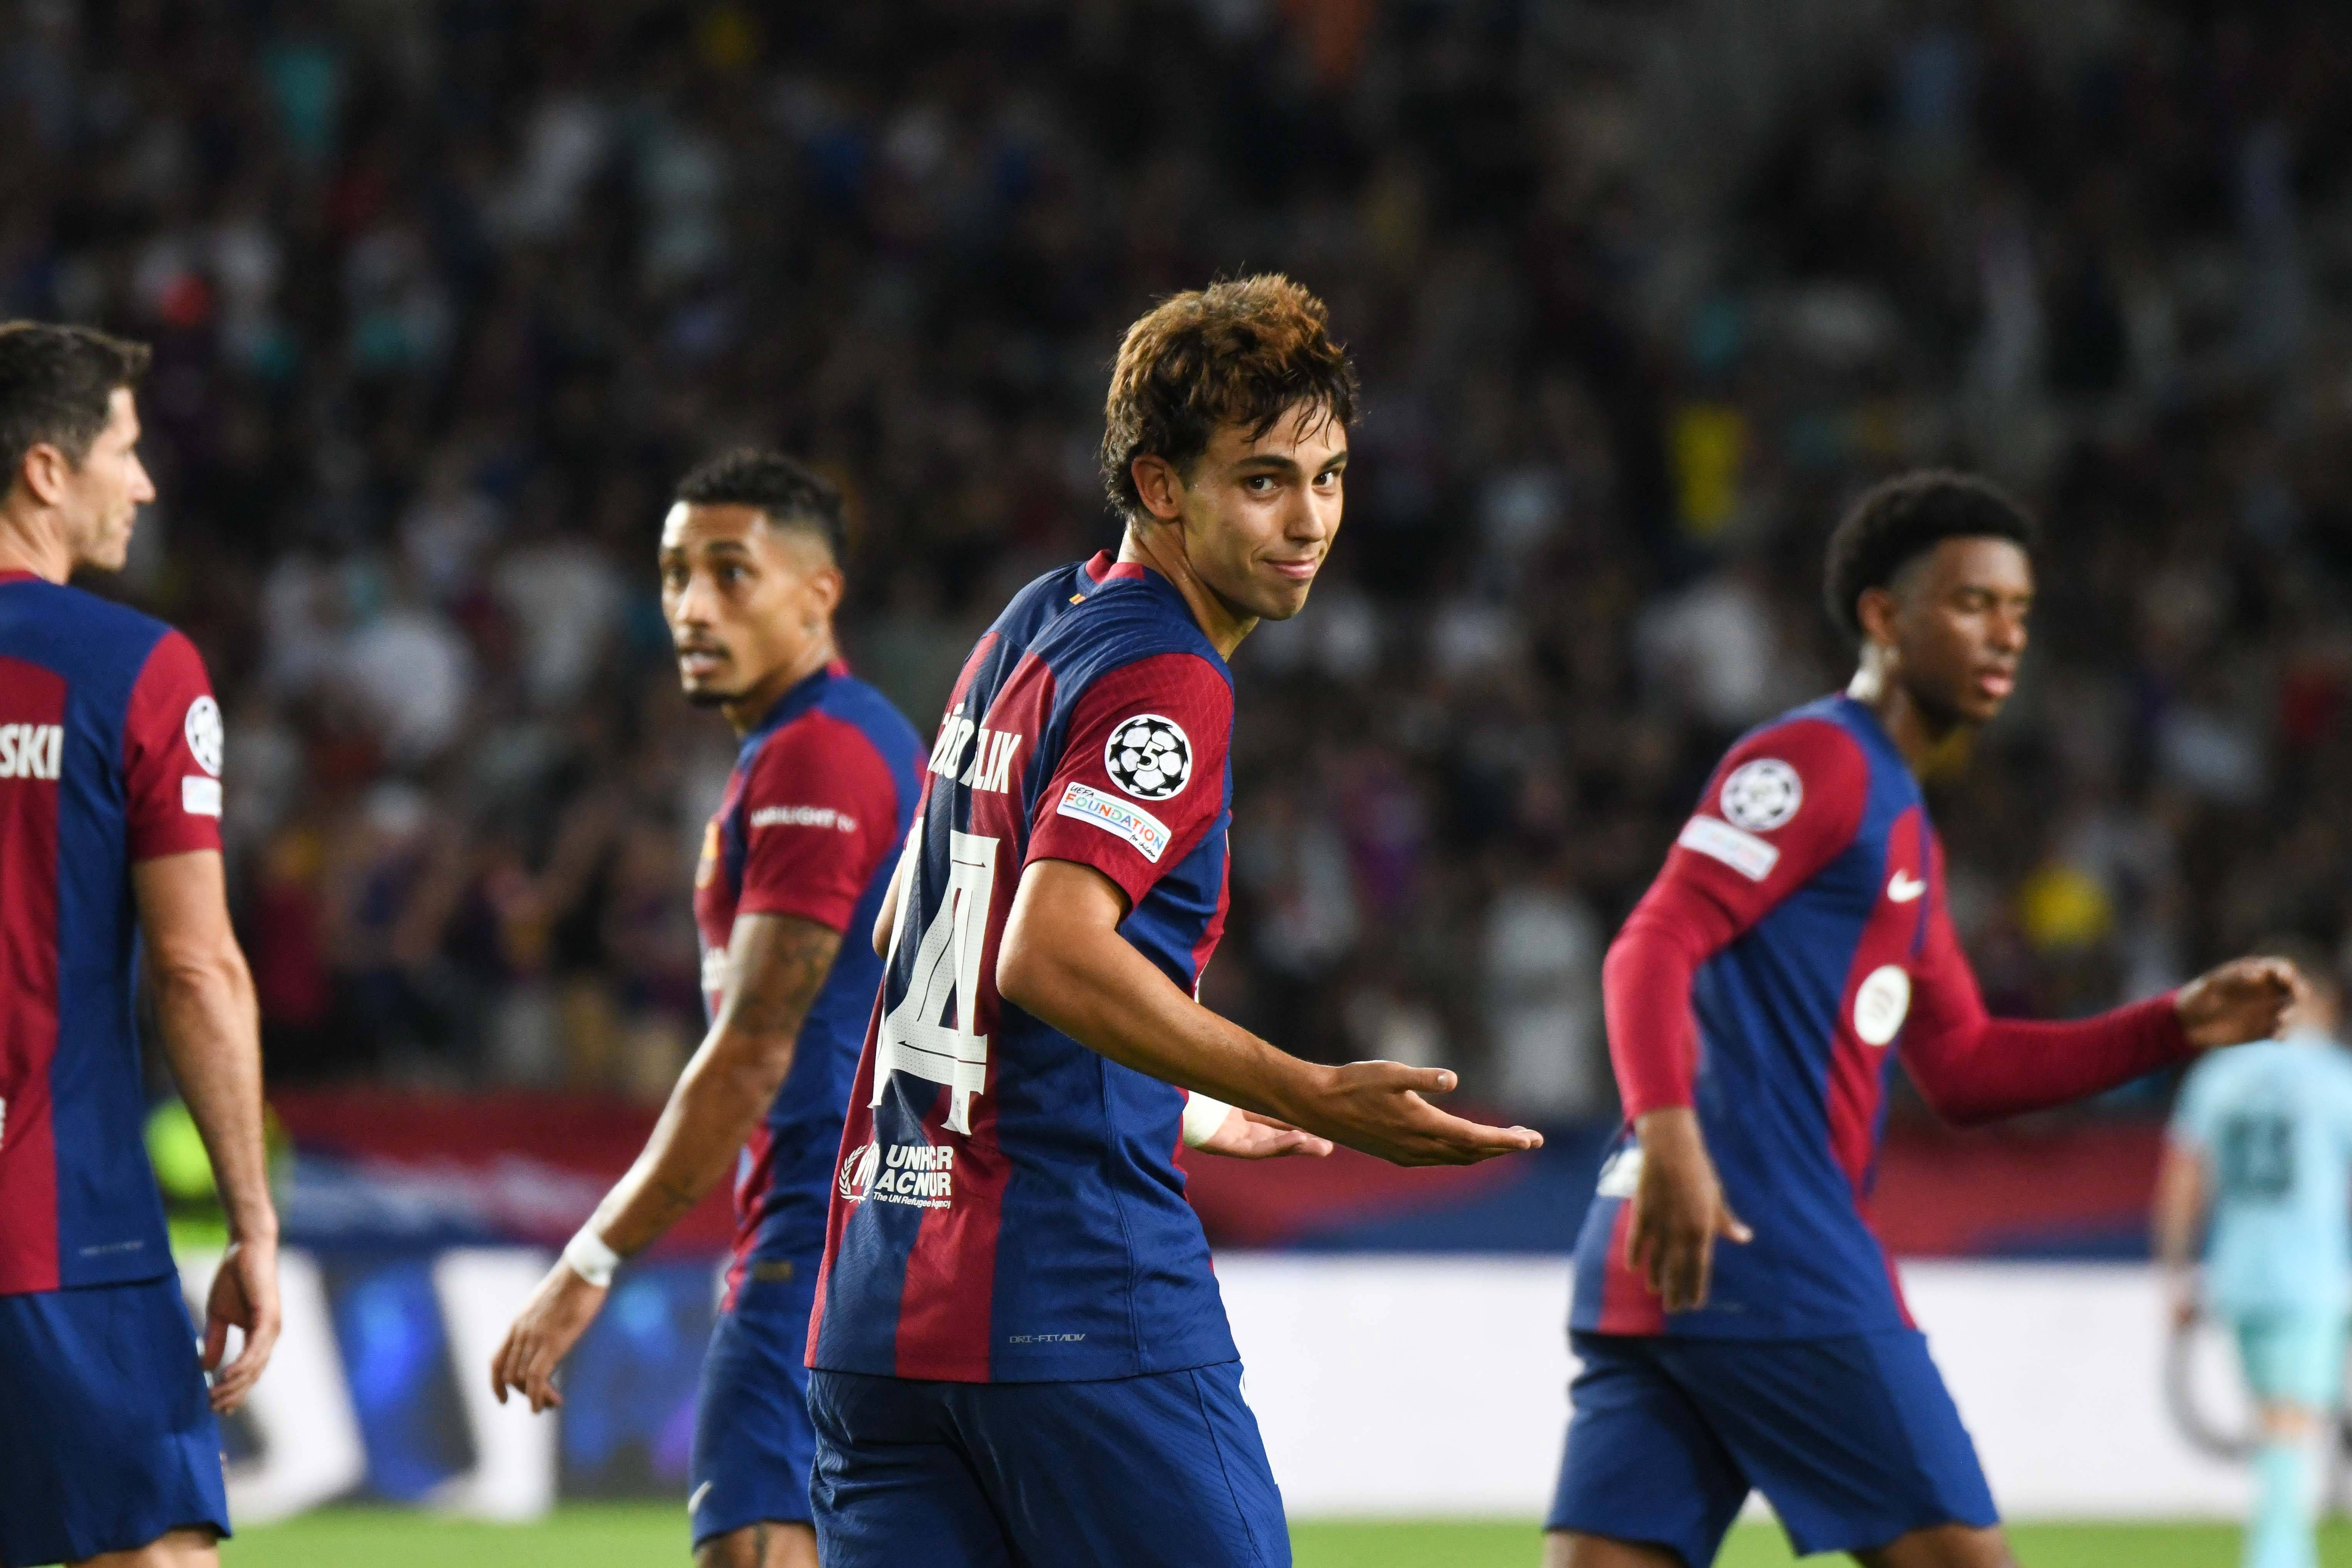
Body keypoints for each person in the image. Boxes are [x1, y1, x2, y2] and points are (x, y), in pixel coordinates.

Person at [803, 274, 1544, 1568]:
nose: (1306, 520)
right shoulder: (1166, 672)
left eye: (1326, 477)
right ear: (1159, 487)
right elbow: (1043, 951)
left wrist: (1180, 1100)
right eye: (1261, 480)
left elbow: (914, 929)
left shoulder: (1027, 628)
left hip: (876, 1317)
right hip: (1070, 1309)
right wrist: (1312, 1091)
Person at [1546, 470, 2305, 1568]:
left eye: (2018, 612)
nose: (2003, 636)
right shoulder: (1814, 761)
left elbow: (1964, 1066)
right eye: (1970, 603)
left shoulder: (1898, 819)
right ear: (1882, 616)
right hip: (1767, 1249)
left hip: (1654, 1267)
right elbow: (1649, 944)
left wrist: (2172, 1027)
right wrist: (1669, 1134)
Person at [486, 451, 919, 1568]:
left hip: (820, 1227)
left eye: (732, 574)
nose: (691, 606)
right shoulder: (830, 741)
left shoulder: (819, 756)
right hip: (864, 1218)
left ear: (819, 594)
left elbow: (752, 1054)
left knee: (754, 1551)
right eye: (675, 575)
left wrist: (589, 1259)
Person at [0, 322, 279, 1568]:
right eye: (125, 448)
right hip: (61, 1229)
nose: (147, 481)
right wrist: (253, 1222)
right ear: (47, 472)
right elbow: (195, 966)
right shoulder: (135, 670)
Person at [2155, 939, 2352, 1568]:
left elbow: (2183, 1182)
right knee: (2294, 1420)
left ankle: (2280, 1550)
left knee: (2274, 1417)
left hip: (2240, 1271)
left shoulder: (2220, 1076)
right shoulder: (2334, 1077)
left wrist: (2177, 1274)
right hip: (2313, 1272)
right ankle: (2278, 1556)